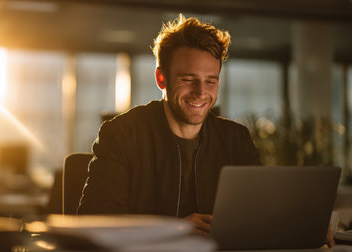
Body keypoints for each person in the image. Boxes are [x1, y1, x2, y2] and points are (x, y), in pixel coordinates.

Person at [77, 14, 261, 235]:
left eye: (211, 81)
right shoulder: (121, 135)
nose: (201, 92)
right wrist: (173, 229)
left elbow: (260, 217)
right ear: (161, 78)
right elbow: (95, 222)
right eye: (188, 79)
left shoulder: (236, 139)